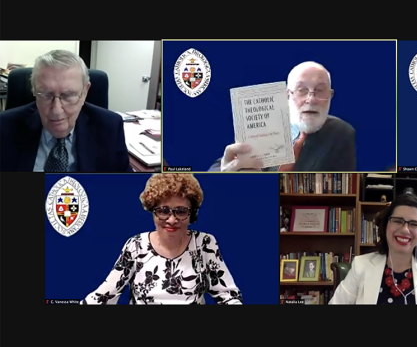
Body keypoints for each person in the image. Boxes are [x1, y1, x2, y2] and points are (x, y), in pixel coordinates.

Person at [81, 173, 242, 304]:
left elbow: (228, 296)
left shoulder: (204, 244)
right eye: (164, 211)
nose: (172, 220)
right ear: (152, 210)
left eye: (181, 211)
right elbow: (105, 295)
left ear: (191, 213)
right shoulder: (136, 245)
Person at [209, 61, 356, 171]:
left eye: (320, 90)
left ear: (330, 96)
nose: (311, 99)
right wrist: (226, 172)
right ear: (287, 95)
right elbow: (218, 167)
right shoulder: (266, 124)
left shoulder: (341, 133)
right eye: (301, 90)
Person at [0, 49, 132, 172]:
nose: (57, 110)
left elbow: (125, 186)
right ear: (34, 91)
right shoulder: (5, 127)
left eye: (68, 95)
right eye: (46, 95)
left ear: (85, 92)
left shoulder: (110, 127)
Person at [329, 193, 417, 305]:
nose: (405, 230)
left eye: (414, 224)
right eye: (397, 221)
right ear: (385, 225)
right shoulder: (361, 266)